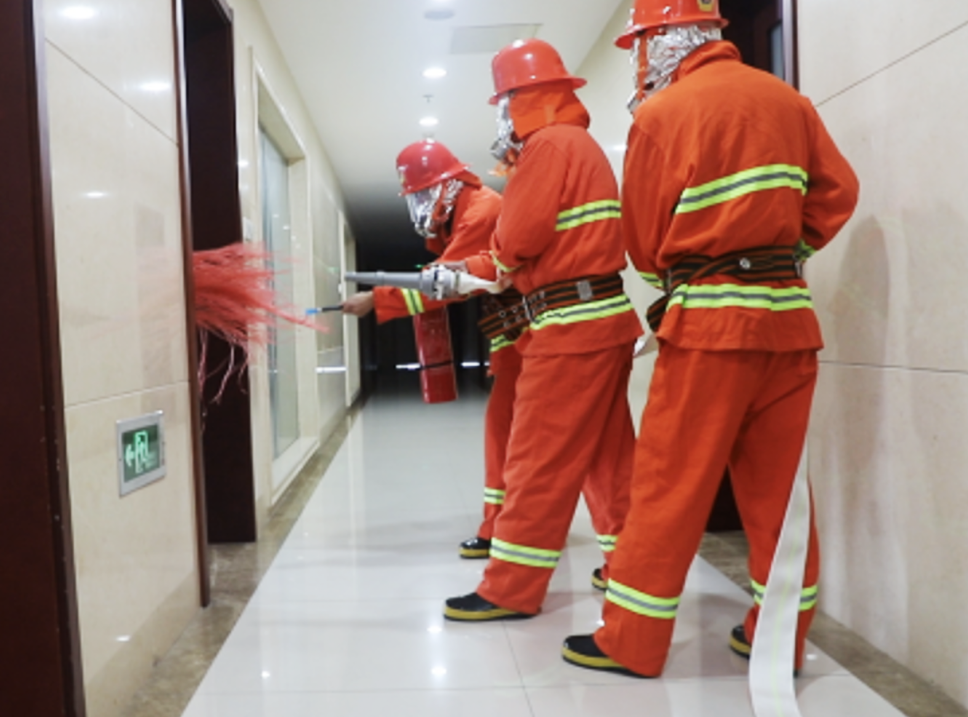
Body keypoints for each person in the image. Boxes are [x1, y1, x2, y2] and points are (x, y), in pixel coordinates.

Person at [561, 0, 859, 677]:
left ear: (663, 40)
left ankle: (632, 641)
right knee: (781, 496)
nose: (638, 63)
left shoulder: (661, 115)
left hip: (708, 329)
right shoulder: (788, 101)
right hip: (788, 323)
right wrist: (782, 252)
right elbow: (838, 193)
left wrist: (690, 270)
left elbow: (642, 242)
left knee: (668, 486)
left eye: (640, 45)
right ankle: (777, 635)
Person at [443, 38, 642, 621]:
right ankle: (628, 567)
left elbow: (517, 241)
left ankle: (509, 589)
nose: (502, 118)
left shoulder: (547, 147)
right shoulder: (578, 145)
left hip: (568, 329)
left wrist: (478, 268)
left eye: (503, 104)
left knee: (535, 461)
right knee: (609, 459)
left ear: (517, 100)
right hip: (603, 319)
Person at [342, 139, 516, 559]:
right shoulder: (470, 213)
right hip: (516, 339)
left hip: (529, 340)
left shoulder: (480, 212)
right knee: (505, 436)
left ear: (449, 186)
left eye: (423, 194)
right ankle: (502, 528)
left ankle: (505, 530)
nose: (420, 206)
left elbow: (440, 287)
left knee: (509, 438)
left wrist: (376, 298)